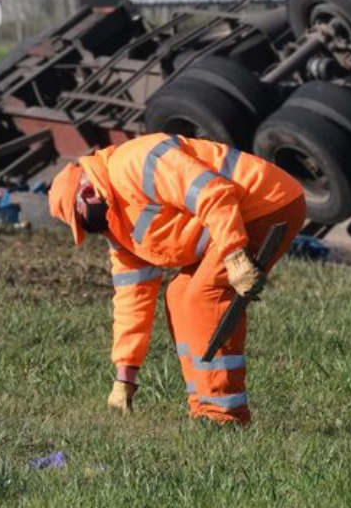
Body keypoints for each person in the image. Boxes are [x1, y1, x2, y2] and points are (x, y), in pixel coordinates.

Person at [47, 133, 306, 426]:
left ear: (87, 192)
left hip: (267, 205)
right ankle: (202, 406)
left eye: (79, 219)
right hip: (229, 221)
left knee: (203, 295)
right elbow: (132, 300)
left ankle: (225, 417)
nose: (87, 229)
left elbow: (213, 192)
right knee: (179, 295)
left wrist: (235, 257)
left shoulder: (136, 162)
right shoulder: (116, 224)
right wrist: (124, 377)